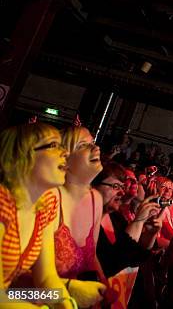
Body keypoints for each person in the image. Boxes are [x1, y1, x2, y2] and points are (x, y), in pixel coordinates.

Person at [0, 122, 76, 308]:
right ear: (22, 156)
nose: (65, 152)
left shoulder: (45, 206)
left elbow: (46, 277)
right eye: (53, 145)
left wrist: (63, 300)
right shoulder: (2, 203)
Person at [53, 126, 107, 307]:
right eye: (84, 145)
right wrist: (66, 292)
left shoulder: (95, 199)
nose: (96, 148)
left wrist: (104, 286)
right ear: (65, 158)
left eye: (93, 142)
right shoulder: (50, 199)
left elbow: (91, 257)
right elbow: (9, 292)